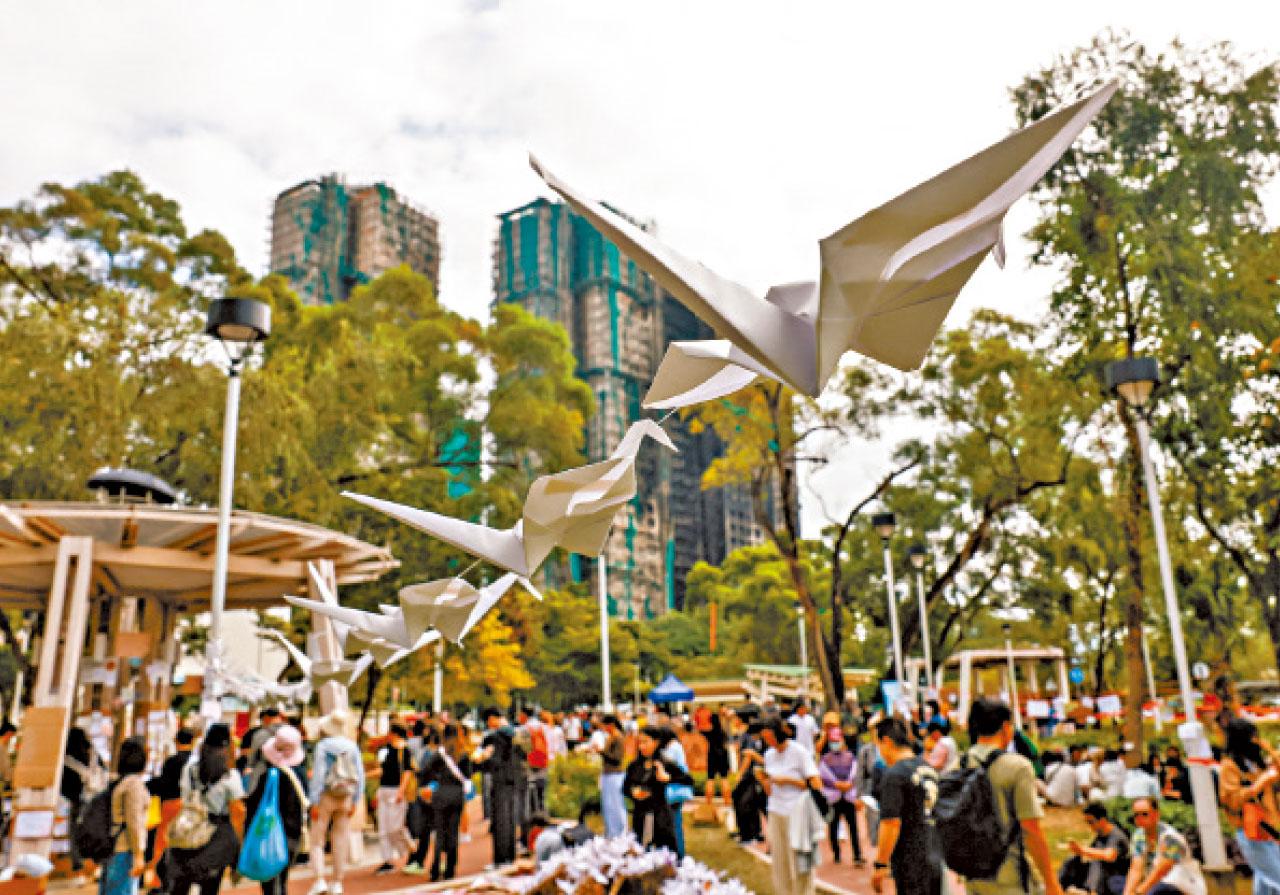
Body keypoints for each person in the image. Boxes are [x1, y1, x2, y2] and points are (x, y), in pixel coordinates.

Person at [963, 698, 1064, 895]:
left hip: (972, 874)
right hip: (1010, 874)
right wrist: (1051, 882)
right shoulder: (1017, 767)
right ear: (1005, 727)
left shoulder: (960, 764)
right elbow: (1031, 829)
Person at [166, 723, 245, 895]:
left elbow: (184, 799)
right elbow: (238, 813)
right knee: (209, 887)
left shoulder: (189, 770)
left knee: (180, 887)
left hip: (188, 829)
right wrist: (239, 848)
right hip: (217, 835)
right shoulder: (230, 776)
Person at [869, 717, 942, 895]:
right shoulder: (928, 768)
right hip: (934, 856)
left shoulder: (894, 775)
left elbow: (891, 823)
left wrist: (880, 864)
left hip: (910, 862)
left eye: (879, 746)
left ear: (886, 742)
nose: (880, 753)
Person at [758, 716, 822, 895]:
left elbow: (815, 783)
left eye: (770, 737)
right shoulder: (769, 755)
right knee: (780, 860)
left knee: (800, 861)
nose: (768, 741)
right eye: (765, 738)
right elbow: (770, 791)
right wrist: (764, 781)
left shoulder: (799, 752)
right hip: (776, 811)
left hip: (797, 812)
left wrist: (787, 780)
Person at [244, 726, 308, 895]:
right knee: (282, 879)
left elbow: (254, 805)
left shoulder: (270, 775)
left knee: (270, 882)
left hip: (269, 831)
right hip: (293, 833)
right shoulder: (300, 773)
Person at [1219, 717, 1280, 893]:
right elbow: (1232, 800)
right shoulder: (1229, 766)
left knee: (1265, 881)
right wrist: (1259, 784)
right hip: (1250, 829)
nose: (1255, 739)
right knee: (1274, 877)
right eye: (1251, 735)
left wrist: (1268, 748)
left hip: (1268, 827)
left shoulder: (1255, 762)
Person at [307, 711, 364, 895]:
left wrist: (314, 800)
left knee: (317, 840)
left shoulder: (323, 746)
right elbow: (360, 774)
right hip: (346, 796)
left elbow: (318, 774)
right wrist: (356, 799)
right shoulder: (352, 746)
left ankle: (319, 880)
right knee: (340, 839)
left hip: (326, 795)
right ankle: (337, 882)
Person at [623, 728, 691, 852]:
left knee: (665, 853)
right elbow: (625, 787)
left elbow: (688, 780)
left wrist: (668, 778)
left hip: (660, 815)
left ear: (656, 742)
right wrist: (633, 792)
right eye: (640, 743)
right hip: (640, 815)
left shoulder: (665, 763)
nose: (642, 746)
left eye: (645, 742)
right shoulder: (634, 765)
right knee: (641, 851)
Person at [419, 722, 472, 882]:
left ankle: (435, 869)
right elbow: (468, 776)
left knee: (440, 834)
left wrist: (432, 783)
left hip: (440, 794)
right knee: (453, 833)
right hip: (456, 795)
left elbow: (424, 772)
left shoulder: (439, 753)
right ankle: (450, 869)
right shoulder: (463, 754)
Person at [1123, 797, 1206, 895]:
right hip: (1156, 884)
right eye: (1136, 815)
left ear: (1156, 814)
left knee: (1157, 890)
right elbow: (1136, 869)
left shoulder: (1170, 837)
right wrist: (1127, 893)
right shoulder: (1138, 836)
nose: (1139, 818)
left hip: (1182, 885)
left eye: (1144, 814)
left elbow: (1162, 870)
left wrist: (1139, 892)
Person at [146, 729, 196, 889]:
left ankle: (161, 880)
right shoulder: (196, 762)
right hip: (190, 806)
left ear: (176, 741)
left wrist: (149, 786)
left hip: (171, 804)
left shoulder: (171, 761)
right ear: (193, 741)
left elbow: (163, 783)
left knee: (163, 842)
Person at [101, 737, 149, 895]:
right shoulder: (134, 784)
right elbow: (134, 822)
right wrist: (139, 855)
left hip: (112, 846)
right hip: (125, 849)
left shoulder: (117, 782)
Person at [476, 707, 523, 868]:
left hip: (500, 780)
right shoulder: (516, 732)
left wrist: (483, 759)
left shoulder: (497, 737)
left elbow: (495, 761)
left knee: (500, 821)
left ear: (492, 718)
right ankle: (510, 856)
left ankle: (500, 859)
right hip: (514, 779)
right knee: (510, 820)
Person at [372, 723, 417, 874]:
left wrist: (401, 791)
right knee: (383, 828)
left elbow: (407, 772)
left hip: (396, 790)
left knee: (395, 827)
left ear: (395, 733)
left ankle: (411, 847)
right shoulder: (386, 749)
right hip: (384, 789)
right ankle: (387, 860)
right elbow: (382, 770)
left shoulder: (405, 750)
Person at [1060, 803, 1130, 895]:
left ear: (1102, 820)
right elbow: (1090, 854)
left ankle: (1091, 892)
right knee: (1072, 860)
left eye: (1091, 822)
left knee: (1098, 861)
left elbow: (1109, 856)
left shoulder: (1116, 836)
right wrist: (1078, 852)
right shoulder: (1100, 836)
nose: (1089, 826)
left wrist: (1082, 850)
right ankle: (1060, 887)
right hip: (1101, 877)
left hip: (1115, 877)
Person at [819, 728, 863, 866]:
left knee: (853, 827)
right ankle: (836, 854)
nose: (835, 743)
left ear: (842, 740)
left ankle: (857, 855)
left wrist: (849, 784)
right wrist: (836, 784)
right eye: (832, 741)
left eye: (837, 741)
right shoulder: (825, 759)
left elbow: (855, 773)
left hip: (849, 797)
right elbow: (823, 776)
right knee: (833, 827)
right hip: (834, 798)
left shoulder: (850, 757)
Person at [731, 722, 768, 845]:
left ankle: (750, 834)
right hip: (755, 776)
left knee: (747, 803)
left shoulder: (750, 738)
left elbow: (748, 757)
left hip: (755, 777)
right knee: (752, 804)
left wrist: (740, 774)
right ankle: (752, 833)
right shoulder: (751, 738)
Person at [595, 714, 627, 838]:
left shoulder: (618, 737)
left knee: (616, 804)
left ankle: (620, 832)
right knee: (608, 804)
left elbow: (617, 758)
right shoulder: (611, 737)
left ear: (611, 725)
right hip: (608, 774)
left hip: (615, 774)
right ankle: (611, 832)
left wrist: (602, 752)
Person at [854, 717, 883, 846]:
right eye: (873, 729)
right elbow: (859, 774)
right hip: (870, 790)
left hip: (887, 789)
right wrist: (859, 796)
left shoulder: (890, 747)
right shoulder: (865, 751)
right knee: (873, 825)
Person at [704, 713, 732, 806]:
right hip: (722, 755)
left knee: (710, 779)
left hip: (712, 755)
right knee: (724, 778)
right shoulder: (723, 732)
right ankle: (727, 801)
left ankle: (708, 802)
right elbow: (727, 744)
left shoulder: (708, 733)